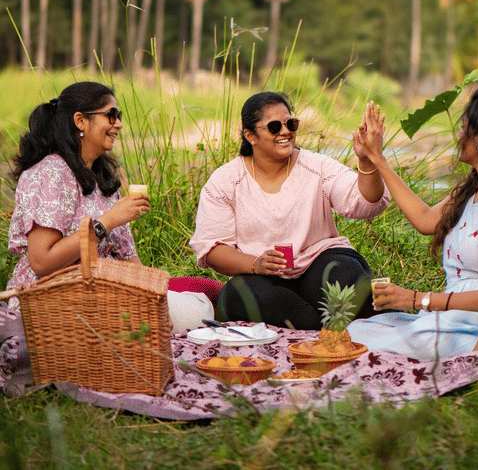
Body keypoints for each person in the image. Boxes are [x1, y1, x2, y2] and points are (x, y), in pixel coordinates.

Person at [345, 88, 478, 361]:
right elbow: (424, 219)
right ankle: (462, 344)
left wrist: (417, 299)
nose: (458, 136)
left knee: (420, 340)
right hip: (461, 318)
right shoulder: (472, 191)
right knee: (359, 329)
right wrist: (376, 159)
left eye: (464, 129)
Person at [4, 81, 214, 330]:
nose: (119, 124)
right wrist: (107, 222)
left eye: (119, 116)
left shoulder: (100, 179)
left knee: (198, 308)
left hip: (103, 294)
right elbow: (41, 263)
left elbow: (128, 259)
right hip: (53, 298)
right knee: (188, 314)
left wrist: (155, 300)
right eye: (111, 115)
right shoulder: (51, 174)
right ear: (80, 121)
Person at [190, 91, 391, 330]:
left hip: (320, 261)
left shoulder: (317, 166)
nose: (286, 131)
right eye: (274, 127)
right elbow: (213, 249)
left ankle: (317, 329)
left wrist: (368, 160)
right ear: (250, 135)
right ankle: (325, 331)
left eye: (291, 124)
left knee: (344, 276)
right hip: (261, 275)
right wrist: (256, 264)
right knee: (237, 296)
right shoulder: (225, 181)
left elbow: (366, 203)